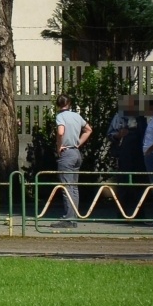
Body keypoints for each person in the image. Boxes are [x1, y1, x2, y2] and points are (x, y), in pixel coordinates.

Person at [53, 94, 92, 224]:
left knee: (66, 186)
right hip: (76, 152)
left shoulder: (60, 116)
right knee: (74, 187)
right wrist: (78, 143)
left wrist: (59, 146)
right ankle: (73, 215)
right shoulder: (76, 116)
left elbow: (60, 132)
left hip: (66, 153)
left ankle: (69, 218)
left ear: (58, 105)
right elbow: (88, 129)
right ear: (69, 104)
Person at [108, 95, 145, 175]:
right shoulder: (119, 117)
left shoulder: (142, 118)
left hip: (140, 151)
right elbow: (110, 134)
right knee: (125, 173)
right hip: (124, 150)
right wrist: (119, 135)